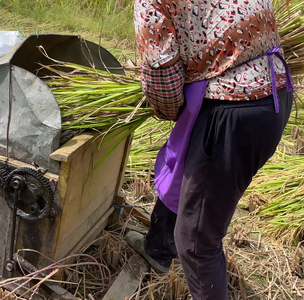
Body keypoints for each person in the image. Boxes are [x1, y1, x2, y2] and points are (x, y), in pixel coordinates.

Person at [126, 0, 294, 299]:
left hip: (232, 112)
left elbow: (163, 78)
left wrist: (171, 108)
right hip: (274, 96)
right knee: (187, 177)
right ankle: (159, 247)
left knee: (195, 241)